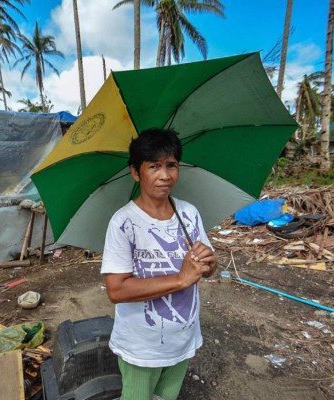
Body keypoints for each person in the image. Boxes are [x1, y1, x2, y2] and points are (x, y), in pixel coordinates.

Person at [101, 128, 217, 400]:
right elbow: (116, 291)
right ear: (135, 172)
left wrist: (210, 262)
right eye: (154, 166)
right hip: (142, 347)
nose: (165, 176)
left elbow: (209, 269)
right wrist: (180, 279)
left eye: (171, 165)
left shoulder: (189, 213)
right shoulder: (123, 223)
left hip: (182, 339)